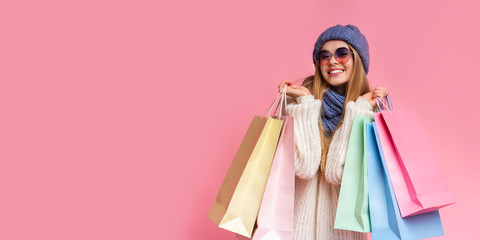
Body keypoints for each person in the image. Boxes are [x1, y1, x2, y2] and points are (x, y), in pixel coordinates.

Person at [278, 24, 388, 240]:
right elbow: (305, 167)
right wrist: (304, 103)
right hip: (296, 230)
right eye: (324, 56)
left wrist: (358, 113)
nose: (333, 61)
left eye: (342, 53)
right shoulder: (301, 104)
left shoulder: (369, 110)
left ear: (358, 60)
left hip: (344, 233)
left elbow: (336, 174)